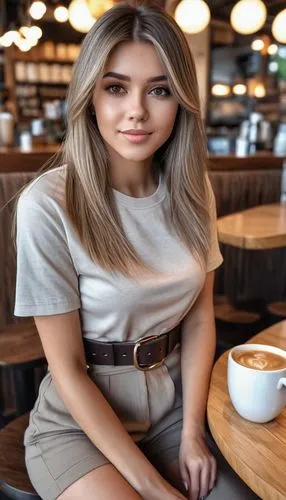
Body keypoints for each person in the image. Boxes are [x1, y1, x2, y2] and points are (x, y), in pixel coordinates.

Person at [14, 3, 260, 500]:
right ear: (89, 96)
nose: (137, 111)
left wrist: (192, 433)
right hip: (78, 426)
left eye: (160, 89)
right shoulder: (47, 204)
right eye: (116, 87)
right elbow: (66, 371)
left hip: (172, 412)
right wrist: (152, 487)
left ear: (181, 101)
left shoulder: (194, 192)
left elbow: (197, 320)